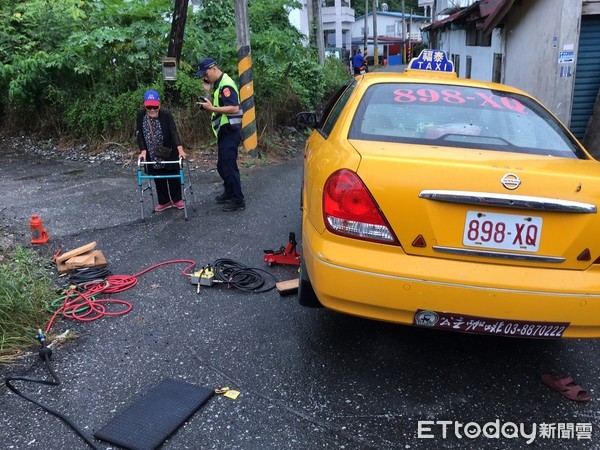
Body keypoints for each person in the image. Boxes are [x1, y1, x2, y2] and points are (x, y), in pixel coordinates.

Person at [195, 58, 245, 212]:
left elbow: (234, 108)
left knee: (229, 166)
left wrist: (212, 109)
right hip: (224, 131)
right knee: (222, 165)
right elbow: (217, 103)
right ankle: (229, 191)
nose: (205, 77)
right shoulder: (218, 84)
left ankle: (238, 200)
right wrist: (207, 93)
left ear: (213, 68)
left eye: (205, 73)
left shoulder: (226, 84)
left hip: (230, 130)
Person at [136, 90, 187, 212]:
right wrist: (143, 151)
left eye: (155, 106)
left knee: (172, 174)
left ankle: (176, 199)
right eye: (149, 107)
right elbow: (139, 134)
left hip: (168, 149)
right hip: (152, 152)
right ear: (144, 105)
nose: (152, 110)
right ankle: (164, 201)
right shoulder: (140, 115)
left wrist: (180, 150)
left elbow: (173, 132)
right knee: (158, 176)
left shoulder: (166, 115)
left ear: (159, 104)